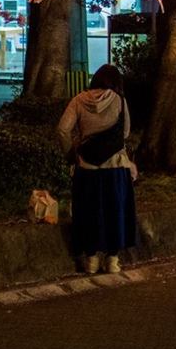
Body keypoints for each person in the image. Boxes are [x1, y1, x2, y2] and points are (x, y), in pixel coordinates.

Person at [57, 65, 139, 274]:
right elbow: (126, 133)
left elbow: (62, 130)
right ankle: (112, 260)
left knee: (88, 212)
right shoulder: (120, 101)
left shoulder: (78, 100)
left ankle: (91, 260)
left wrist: (72, 153)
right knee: (115, 212)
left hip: (87, 168)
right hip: (115, 168)